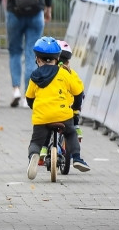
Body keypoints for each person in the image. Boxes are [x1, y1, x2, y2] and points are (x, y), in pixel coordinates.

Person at [25, 37, 89, 179]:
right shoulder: (64, 74)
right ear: (57, 58)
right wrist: (75, 108)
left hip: (42, 117)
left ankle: (34, 156)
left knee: (36, 141)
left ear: (37, 59)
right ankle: (77, 158)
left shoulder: (34, 76)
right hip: (63, 115)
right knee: (71, 133)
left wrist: (35, 108)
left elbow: (29, 97)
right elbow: (78, 93)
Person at [57, 39, 84, 142]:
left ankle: (43, 147)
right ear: (68, 61)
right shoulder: (72, 74)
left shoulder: (48, 74)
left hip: (52, 109)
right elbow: (80, 90)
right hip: (70, 110)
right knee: (75, 110)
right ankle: (76, 126)